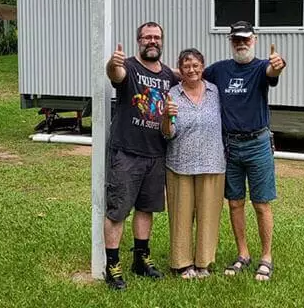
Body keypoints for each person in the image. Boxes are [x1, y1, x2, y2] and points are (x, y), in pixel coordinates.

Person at [203, 21, 286, 281]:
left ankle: (266, 257)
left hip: (258, 144)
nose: (241, 43)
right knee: (235, 203)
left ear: (254, 39)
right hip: (229, 146)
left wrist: (277, 66)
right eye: (236, 39)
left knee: (261, 204)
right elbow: (191, 75)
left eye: (245, 39)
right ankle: (243, 253)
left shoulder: (262, 67)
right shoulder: (219, 70)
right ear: (230, 41)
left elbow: (273, 73)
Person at [104, 21, 179, 291]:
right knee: (118, 210)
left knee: (146, 209)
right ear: (139, 41)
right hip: (127, 152)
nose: (152, 41)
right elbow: (115, 74)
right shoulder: (130, 68)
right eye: (147, 37)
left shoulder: (169, 75)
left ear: (162, 41)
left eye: (156, 37)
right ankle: (112, 266)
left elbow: (191, 76)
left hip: (156, 153)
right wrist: (113, 63)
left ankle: (140, 259)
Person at [162, 48, 226, 279]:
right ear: (180, 69)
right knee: (180, 216)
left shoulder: (215, 92)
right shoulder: (173, 94)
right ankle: (182, 263)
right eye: (186, 66)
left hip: (212, 163)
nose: (192, 70)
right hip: (180, 165)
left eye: (196, 65)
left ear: (203, 67)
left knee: (209, 216)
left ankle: (203, 262)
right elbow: (168, 134)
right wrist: (166, 118)